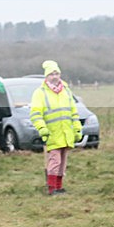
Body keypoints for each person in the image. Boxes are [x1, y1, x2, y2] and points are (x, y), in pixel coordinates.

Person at [30, 60, 81, 195]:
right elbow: (35, 114)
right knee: (55, 161)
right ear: (46, 76)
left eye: (57, 73)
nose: (55, 76)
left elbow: (73, 112)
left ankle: (59, 186)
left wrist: (77, 128)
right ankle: (52, 188)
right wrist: (42, 129)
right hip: (52, 133)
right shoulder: (40, 93)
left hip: (66, 132)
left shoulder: (66, 91)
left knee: (63, 161)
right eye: (52, 74)